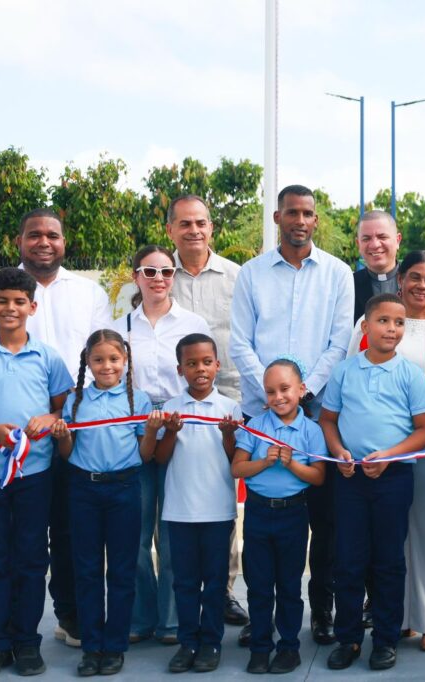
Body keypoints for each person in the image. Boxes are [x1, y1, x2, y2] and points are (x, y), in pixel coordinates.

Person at [230, 184, 354, 646]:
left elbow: (339, 343)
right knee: (263, 518)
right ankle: (262, 618)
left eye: (307, 213)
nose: (300, 220)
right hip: (262, 410)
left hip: (317, 414)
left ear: (315, 219)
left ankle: (320, 611)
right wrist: (273, 392)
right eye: (291, 212)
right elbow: (240, 341)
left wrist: (303, 393)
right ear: (277, 217)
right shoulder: (252, 274)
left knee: (323, 522)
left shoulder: (338, 274)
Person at [349, 250, 425, 651]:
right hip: (377, 448)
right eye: (414, 277)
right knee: (388, 536)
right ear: (400, 280)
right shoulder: (369, 323)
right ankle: (395, 617)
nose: (422, 285)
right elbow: (350, 379)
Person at [319, 294, 425, 672]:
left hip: (394, 478)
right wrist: (339, 451)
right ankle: (349, 637)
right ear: (365, 327)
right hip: (350, 478)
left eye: (399, 323)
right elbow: (328, 420)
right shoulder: (344, 371)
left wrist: (390, 455)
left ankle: (386, 639)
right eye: (383, 321)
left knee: (388, 561)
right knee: (349, 560)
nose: (391, 329)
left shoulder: (410, 374)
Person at [16, 208, 112, 649]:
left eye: (52, 235)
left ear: (64, 242)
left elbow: (101, 358)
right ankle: (12, 628)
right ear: (19, 242)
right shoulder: (4, 288)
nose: (43, 242)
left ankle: (70, 615)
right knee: (21, 536)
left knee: (71, 529)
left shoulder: (89, 293)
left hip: (77, 430)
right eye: (34, 234)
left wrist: (67, 416)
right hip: (16, 437)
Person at [111, 245, 211, 646]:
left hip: (178, 431)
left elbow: (202, 376)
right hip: (133, 434)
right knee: (133, 532)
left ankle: (172, 620)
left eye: (166, 272)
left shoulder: (192, 323)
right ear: (136, 276)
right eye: (149, 272)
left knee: (173, 532)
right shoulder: (119, 327)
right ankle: (141, 616)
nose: (158, 279)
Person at [49, 329, 158, 676]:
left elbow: (145, 455)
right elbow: (67, 454)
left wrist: (152, 432)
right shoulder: (76, 401)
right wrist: (62, 437)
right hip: (84, 491)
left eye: (113, 359)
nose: (106, 366)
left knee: (122, 571)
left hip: (124, 489)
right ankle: (91, 646)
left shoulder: (138, 401)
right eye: (98, 360)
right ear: (88, 362)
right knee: (87, 570)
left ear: (125, 361)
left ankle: (115, 646)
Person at [164, 195, 249, 628]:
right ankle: (176, 596)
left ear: (211, 227)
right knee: (178, 495)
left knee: (221, 495)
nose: (194, 230)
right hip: (173, 404)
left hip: (228, 399)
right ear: (170, 230)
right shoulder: (159, 276)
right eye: (184, 223)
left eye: (201, 222)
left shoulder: (238, 277)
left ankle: (224, 589)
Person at [0, 267, 73, 675]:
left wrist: (50, 417)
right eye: (2, 300)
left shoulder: (47, 357)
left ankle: (27, 641)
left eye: (18, 301)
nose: (10, 308)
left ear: (32, 307)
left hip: (35, 473)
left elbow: (65, 408)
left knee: (30, 557)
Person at [231, 358, 326, 675]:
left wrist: (291, 464)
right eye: (270, 391)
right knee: (259, 586)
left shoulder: (311, 431)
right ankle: (260, 648)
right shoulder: (256, 426)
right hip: (258, 513)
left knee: (288, 586)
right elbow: (237, 468)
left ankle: (288, 648)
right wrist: (264, 462)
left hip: (293, 514)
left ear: (301, 389)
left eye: (285, 389)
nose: (278, 397)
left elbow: (318, 477)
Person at [155, 334, 243, 673]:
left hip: (217, 511)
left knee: (215, 581)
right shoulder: (170, 408)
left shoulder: (229, 408)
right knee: (184, 582)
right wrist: (171, 431)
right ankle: (187, 642)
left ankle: (211, 642)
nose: (200, 369)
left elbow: (235, 461)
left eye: (207, 362)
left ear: (217, 365)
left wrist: (228, 434)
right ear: (180, 369)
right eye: (191, 364)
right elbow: (160, 458)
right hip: (180, 511)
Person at [353, 210, 425, 321]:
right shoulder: (350, 285)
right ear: (358, 244)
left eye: (382, 237)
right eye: (366, 239)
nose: (375, 245)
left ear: (397, 240)